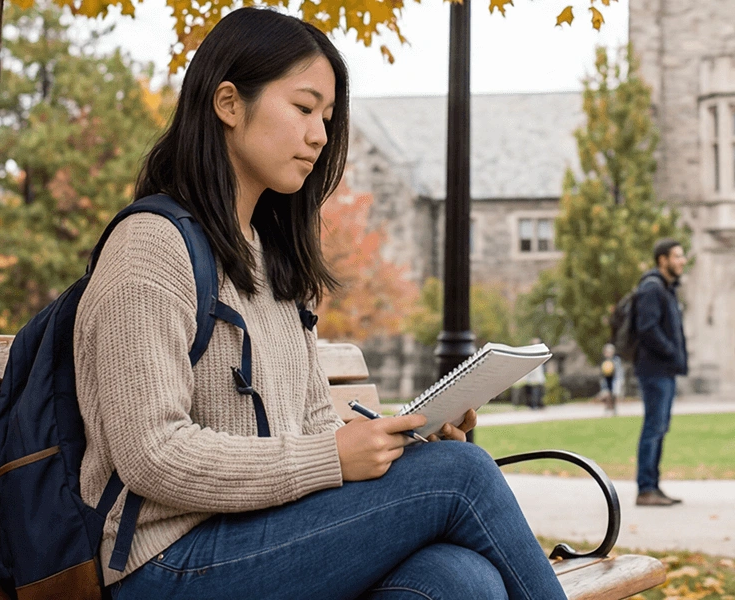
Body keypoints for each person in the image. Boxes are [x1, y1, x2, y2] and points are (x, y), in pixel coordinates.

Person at [83, 9, 562, 599]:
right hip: (167, 564)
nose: (320, 136)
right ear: (228, 104)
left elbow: (311, 426)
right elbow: (151, 455)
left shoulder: (273, 256)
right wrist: (331, 457)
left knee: (461, 580)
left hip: (266, 536)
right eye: (304, 109)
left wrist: (399, 442)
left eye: (328, 118)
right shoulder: (151, 246)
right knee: (463, 477)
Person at [633, 239, 690, 507]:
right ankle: (645, 488)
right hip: (654, 369)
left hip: (664, 369)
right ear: (663, 260)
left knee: (660, 427)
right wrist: (671, 352)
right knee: (654, 427)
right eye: (677, 256)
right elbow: (648, 328)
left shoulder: (666, 289)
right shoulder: (652, 288)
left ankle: (653, 486)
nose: (683, 261)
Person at [520, 337, 548, 410]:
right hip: (533, 377)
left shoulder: (540, 352)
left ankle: (538, 404)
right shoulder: (531, 352)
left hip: (538, 377)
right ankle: (533, 405)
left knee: (539, 392)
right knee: (533, 392)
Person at [599, 343, 622, 416]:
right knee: (607, 394)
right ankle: (608, 408)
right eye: (606, 352)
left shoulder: (616, 360)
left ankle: (614, 408)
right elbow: (601, 373)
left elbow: (619, 371)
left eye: (610, 351)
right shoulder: (604, 361)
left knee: (614, 395)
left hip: (614, 379)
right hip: (606, 380)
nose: (608, 353)